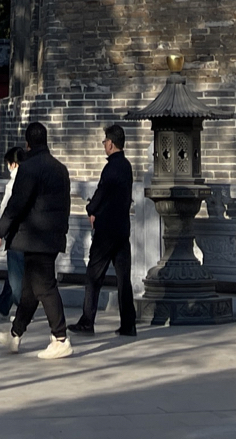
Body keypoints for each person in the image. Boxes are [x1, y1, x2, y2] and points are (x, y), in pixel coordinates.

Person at [0, 119, 72, 358]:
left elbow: (17, 203)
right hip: (52, 234)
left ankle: (60, 337)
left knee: (44, 286)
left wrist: (2, 228)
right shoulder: (60, 168)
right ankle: (15, 334)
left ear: (28, 144)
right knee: (30, 289)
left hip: (34, 235)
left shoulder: (29, 168)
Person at [72, 123, 136, 337]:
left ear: (110, 143)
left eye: (104, 142)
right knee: (123, 279)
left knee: (93, 276)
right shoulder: (126, 166)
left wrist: (90, 208)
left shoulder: (111, 168)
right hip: (122, 230)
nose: (104, 145)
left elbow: (101, 193)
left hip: (106, 230)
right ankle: (129, 324)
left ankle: (87, 320)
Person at [0, 143, 25, 317]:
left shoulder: (15, 183)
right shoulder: (26, 180)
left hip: (15, 235)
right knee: (15, 272)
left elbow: (7, 209)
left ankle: (22, 310)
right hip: (23, 234)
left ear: (14, 163)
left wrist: (0, 231)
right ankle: (3, 304)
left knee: (16, 275)